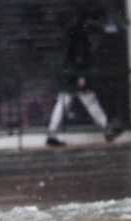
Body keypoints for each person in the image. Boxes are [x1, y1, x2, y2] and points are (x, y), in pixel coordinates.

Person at [45, 15, 119, 147]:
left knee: (62, 105)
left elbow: (66, 58)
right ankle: (107, 129)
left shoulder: (69, 36)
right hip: (76, 77)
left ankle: (51, 134)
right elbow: (80, 59)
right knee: (91, 103)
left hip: (67, 77)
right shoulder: (80, 39)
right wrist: (81, 75)